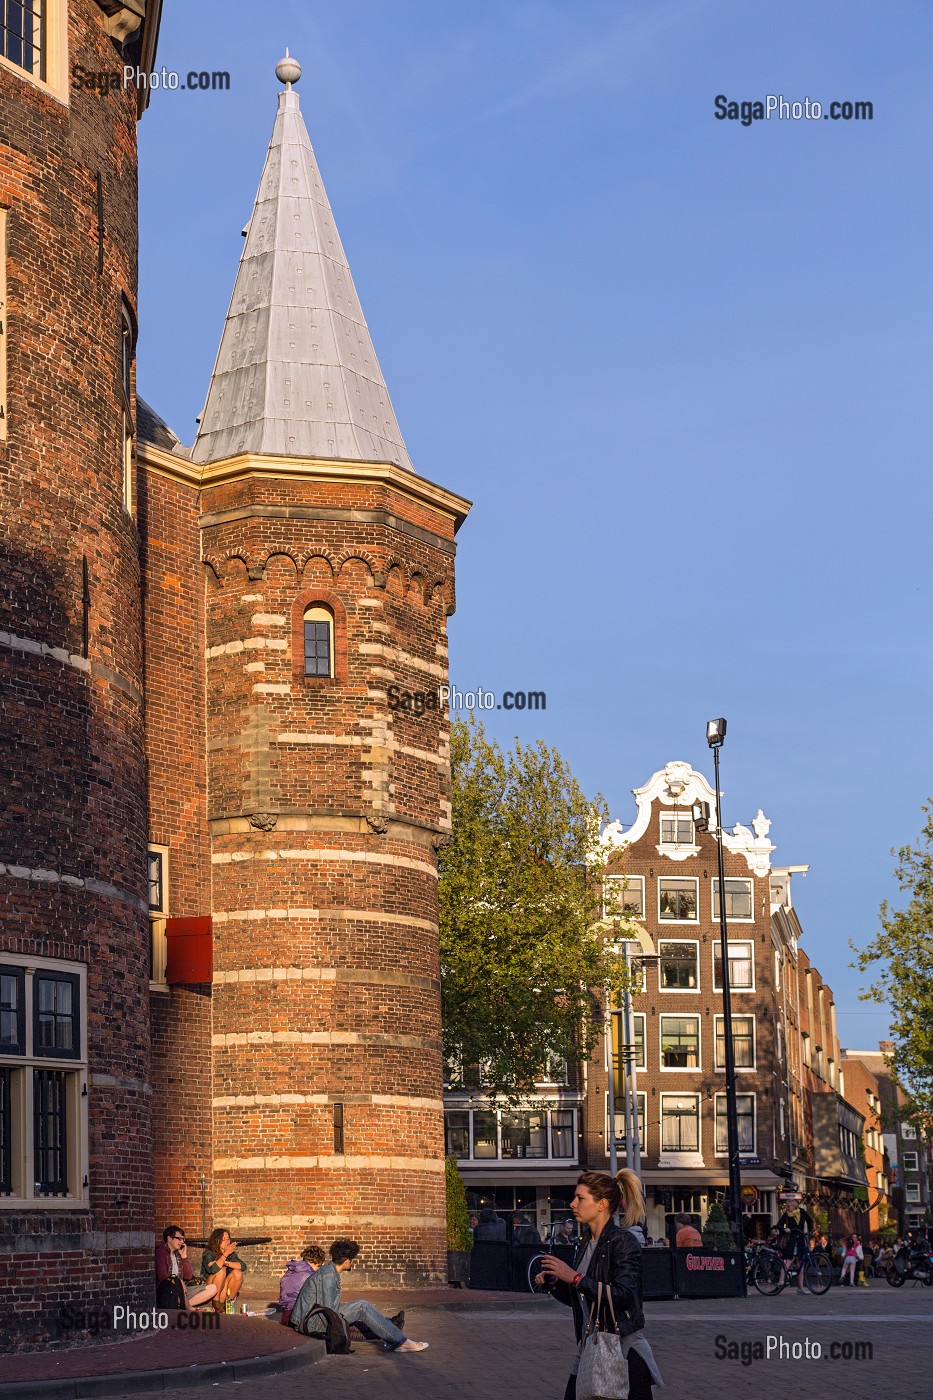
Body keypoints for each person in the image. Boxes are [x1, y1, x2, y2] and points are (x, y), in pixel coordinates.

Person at [537, 1171, 662, 1400]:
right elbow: (583, 1298)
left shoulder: (623, 1242)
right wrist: (556, 1283)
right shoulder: (586, 1242)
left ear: (602, 1204)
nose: (573, 1204)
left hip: (622, 1351)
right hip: (591, 1347)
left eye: (580, 1198)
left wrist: (574, 1277)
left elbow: (625, 1295)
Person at [291, 1239, 428, 1352]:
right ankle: (400, 1341)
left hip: (312, 1318)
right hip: (311, 1323)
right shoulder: (328, 1276)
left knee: (360, 1310)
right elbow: (328, 1312)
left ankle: (389, 1327)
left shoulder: (330, 1271)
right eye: (352, 1260)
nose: (352, 1262)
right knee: (362, 1306)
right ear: (346, 1262)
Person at [154, 1226, 217, 1311]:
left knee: (213, 1288)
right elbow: (163, 1277)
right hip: (167, 1292)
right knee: (178, 1286)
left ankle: (183, 1305)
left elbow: (188, 1276)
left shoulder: (177, 1254)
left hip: (181, 1291)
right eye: (179, 1239)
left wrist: (184, 1256)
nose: (182, 1242)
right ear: (169, 1238)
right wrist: (179, 1282)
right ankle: (188, 1307)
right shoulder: (161, 1251)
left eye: (183, 1239)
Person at [202, 1227, 246, 1312]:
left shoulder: (231, 1255)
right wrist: (225, 1254)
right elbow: (213, 1269)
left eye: (228, 1239)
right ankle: (215, 1303)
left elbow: (243, 1266)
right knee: (221, 1271)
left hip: (222, 1291)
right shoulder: (209, 1253)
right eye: (223, 1239)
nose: (227, 1241)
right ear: (217, 1241)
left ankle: (228, 1303)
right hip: (209, 1292)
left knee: (238, 1273)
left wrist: (225, 1262)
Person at [279, 1245, 326, 1326]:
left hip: (285, 1316)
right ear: (315, 1262)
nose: (318, 1269)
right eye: (319, 1266)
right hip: (298, 1317)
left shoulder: (291, 1271)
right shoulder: (310, 1276)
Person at [776, 1203, 814, 1293]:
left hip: (800, 1239)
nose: (787, 1208)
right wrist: (785, 1229)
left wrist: (811, 1230)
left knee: (800, 1263)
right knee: (789, 1260)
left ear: (795, 1206)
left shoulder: (802, 1212)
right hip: (791, 1240)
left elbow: (810, 1221)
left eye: (789, 1206)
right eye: (786, 1206)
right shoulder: (786, 1215)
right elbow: (779, 1225)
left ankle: (800, 1288)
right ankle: (781, 1280)